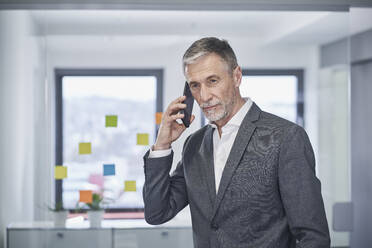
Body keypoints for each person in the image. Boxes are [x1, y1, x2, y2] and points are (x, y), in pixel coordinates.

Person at [142, 37, 330, 248]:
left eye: (212, 81)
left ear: (237, 76)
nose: (204, 96)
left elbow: (313, 237)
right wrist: (161, 146)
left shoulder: (286, 137)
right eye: (195, 85)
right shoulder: (194, 145)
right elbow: (157, 213)